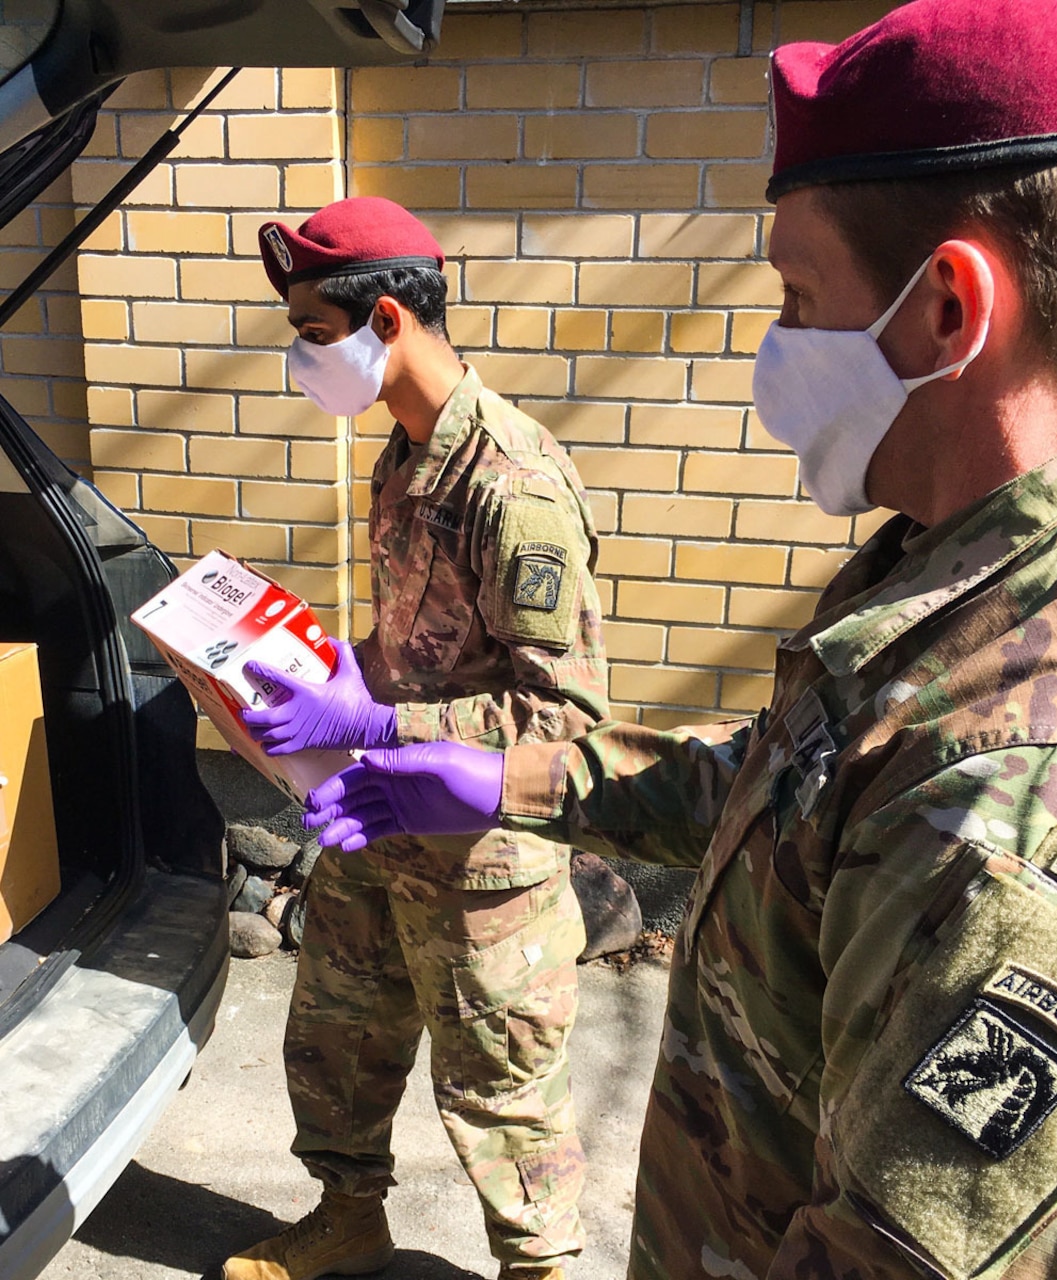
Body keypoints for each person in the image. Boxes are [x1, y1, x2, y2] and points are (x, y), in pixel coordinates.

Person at [298, 2, 1057, 1277]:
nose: (773, 347)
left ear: (945, 309)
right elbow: (774, 790)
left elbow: (893, 1251)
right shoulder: (934, 573)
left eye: (796, 298)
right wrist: (505, 778)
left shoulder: (1020, 767)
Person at [221, 197, 608, 1280]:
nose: (302, 362)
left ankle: (538, 1272)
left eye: (310, 334)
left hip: (482, 868)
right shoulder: (404, 454)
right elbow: (421, 646)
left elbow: (563, 722)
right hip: (377, 824)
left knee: (505, 1103)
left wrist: (378, 714)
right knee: (337, 1043)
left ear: (383, 320)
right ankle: (348, 1217)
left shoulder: (513, 483)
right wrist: (327, 666)